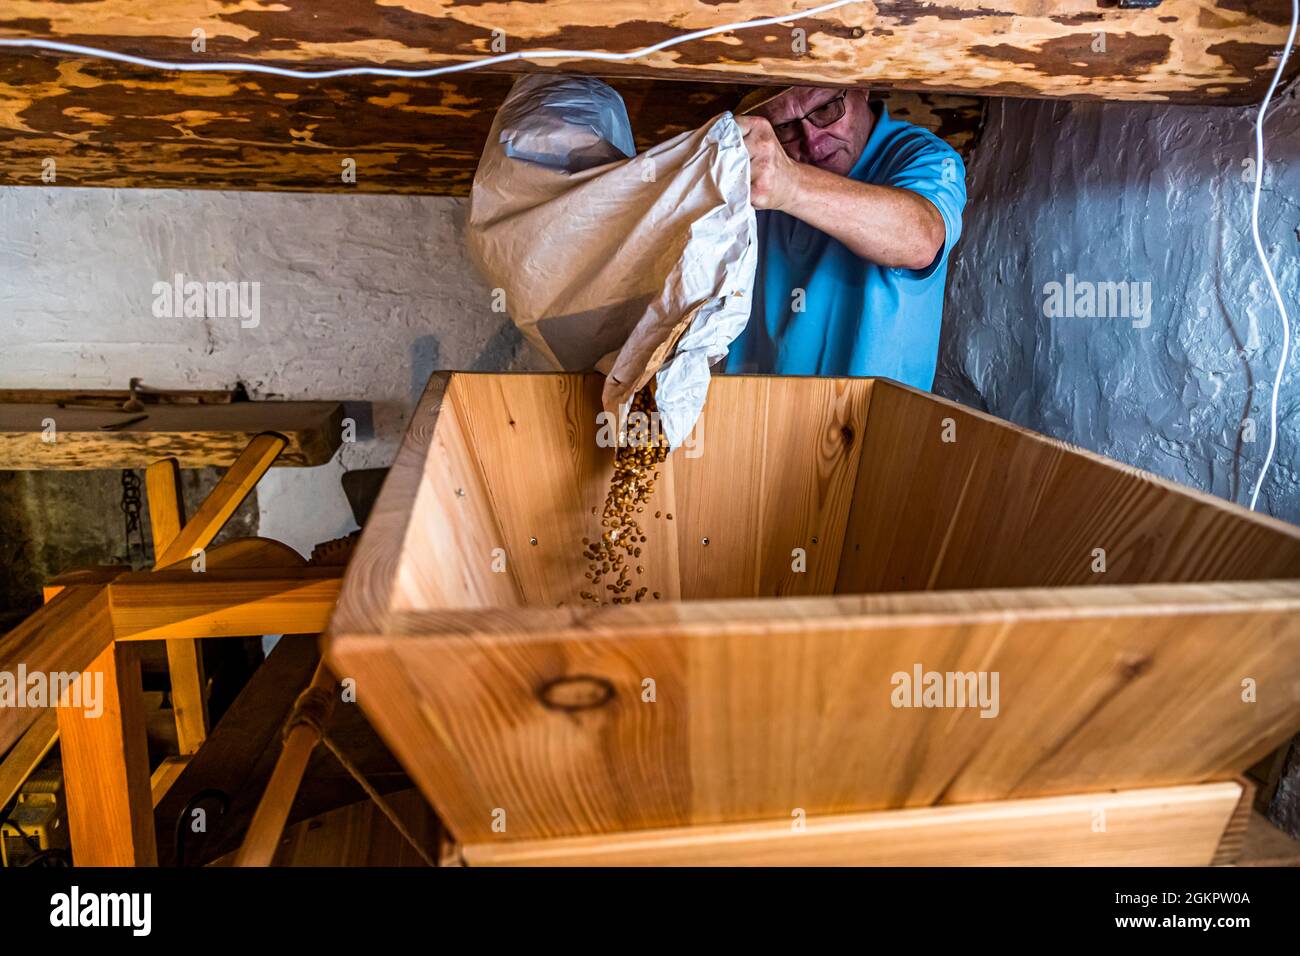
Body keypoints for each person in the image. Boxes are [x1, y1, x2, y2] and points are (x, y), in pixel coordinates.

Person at [726, 85, 967, 390]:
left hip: (869, 423)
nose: (812, 142)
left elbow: (921, 240)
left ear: (861, 88)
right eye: (785, 126)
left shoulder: (924, 157)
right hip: (748, 412)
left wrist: (790, 184)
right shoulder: (756, 165)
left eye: (826, 109)